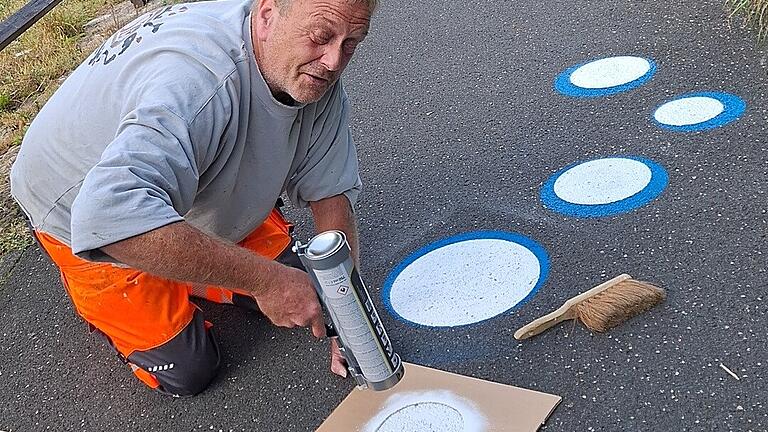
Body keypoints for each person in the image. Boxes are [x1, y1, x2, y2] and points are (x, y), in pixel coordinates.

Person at [10, 0, 375, 396]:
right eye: (321, 37)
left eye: (351, 43)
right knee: (189, 368)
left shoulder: (305, 69)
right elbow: (104, 215)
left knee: (309, 285)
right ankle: (144, 258)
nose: (333, 61)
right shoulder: (199, 85)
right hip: (78, 205)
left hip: (181, 176)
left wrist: (349, 314)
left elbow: (332, 195)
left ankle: (174, 246)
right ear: (268, 15)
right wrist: (265, 282)